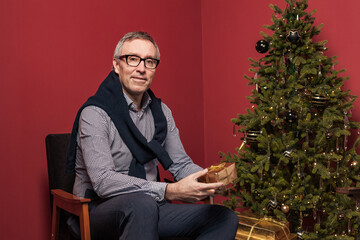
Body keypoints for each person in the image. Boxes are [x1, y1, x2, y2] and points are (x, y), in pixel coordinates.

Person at [66, 31, 239, 240]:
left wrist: (206, 180)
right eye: (132, 59)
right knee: (142, 204)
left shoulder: (161, 112)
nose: (141, 68)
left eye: (149, 62)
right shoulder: (95, 113)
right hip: (97, 210)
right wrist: (169, 191)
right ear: (116, 65)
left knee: (224, 217)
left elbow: (181, 164)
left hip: (151, 207)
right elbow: (103, 181)